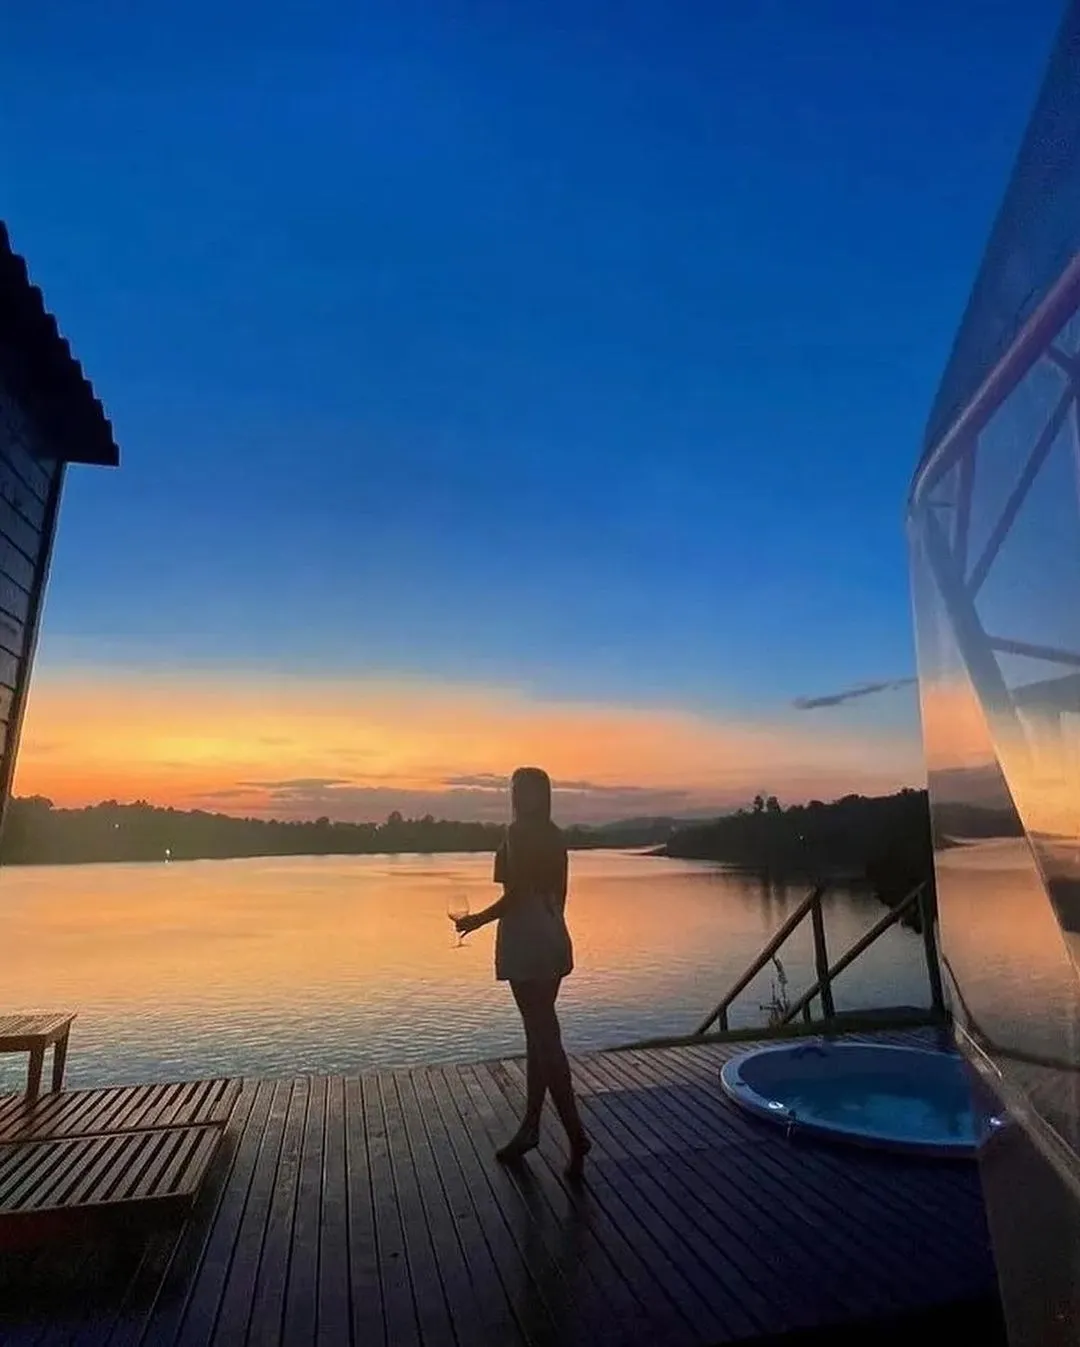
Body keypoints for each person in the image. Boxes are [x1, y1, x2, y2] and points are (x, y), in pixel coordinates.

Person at [455, 766, 591, 1178]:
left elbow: (514, 896)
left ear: (538, 794)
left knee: (546, 1040)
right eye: (516, 789)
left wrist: (475, 920)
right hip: (552, 932)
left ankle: (575, 1134)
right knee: (540, 1037)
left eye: (525, 790)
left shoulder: (519, 833)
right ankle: (531, 1128)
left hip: (527, 940)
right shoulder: (555, 835)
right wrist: (550, 923)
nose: (518, 796)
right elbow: (559, 893)